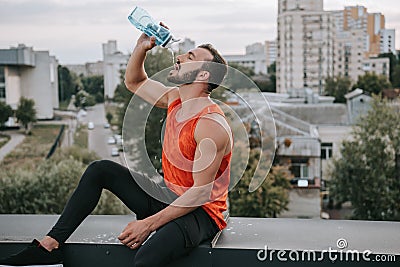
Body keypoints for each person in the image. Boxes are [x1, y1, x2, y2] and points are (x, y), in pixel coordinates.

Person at [0, 30, 232, 267]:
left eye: (190, 57)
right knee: (100, 170)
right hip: (169, 196)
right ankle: (51, 246)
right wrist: (141, 47)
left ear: (203, 74)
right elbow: (135, 82)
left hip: (202, 213)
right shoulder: (175, 99)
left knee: (146, 258)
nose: (180, 56)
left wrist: (148, 224)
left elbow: (200, 193)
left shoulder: (210, 124)